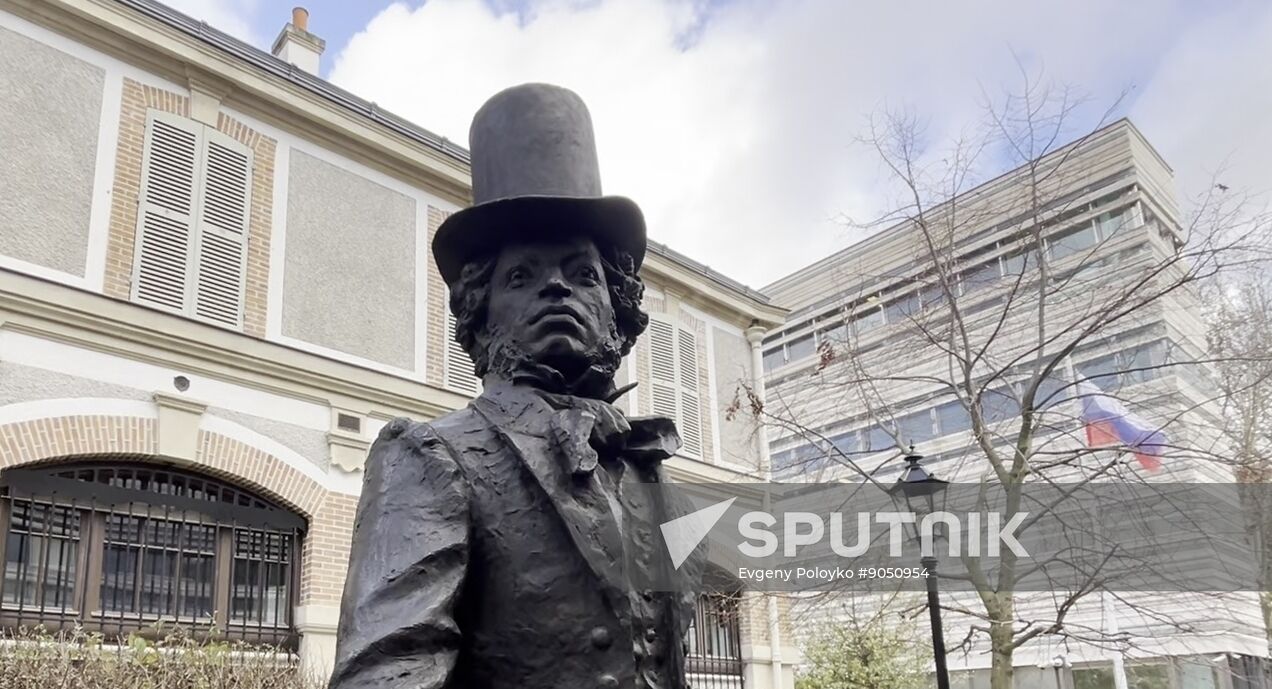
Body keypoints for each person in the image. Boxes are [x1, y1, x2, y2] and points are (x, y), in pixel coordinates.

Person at [328, 83, 703, 689]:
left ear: (618, 311)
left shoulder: (660, 486)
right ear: (480, 313)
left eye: (584, 274)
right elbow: (387, 672)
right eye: (522, 276)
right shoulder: (431, 456)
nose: (557, 288)